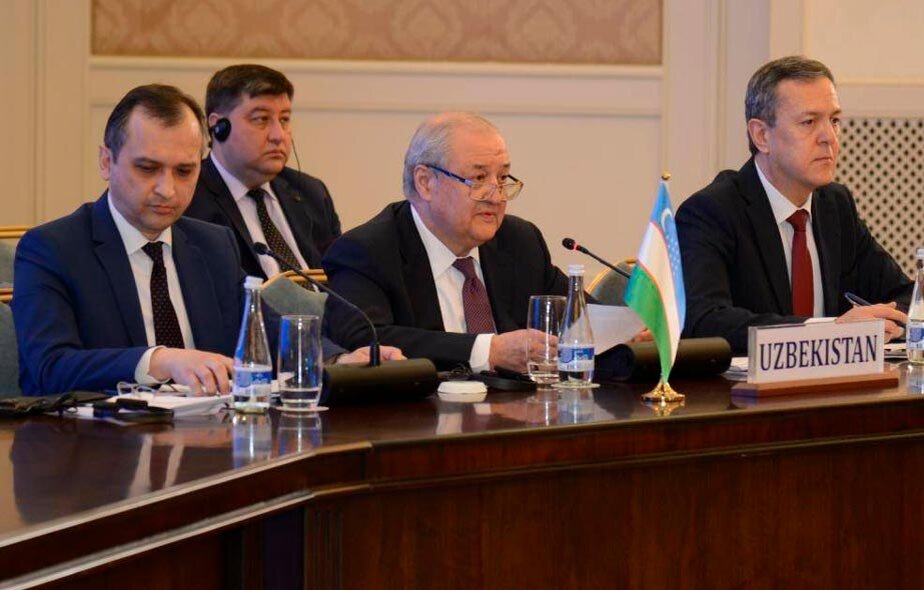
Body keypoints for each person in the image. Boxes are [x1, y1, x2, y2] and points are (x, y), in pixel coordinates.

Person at [13, 84, 398, 396]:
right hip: (102, 449)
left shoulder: (213, 244)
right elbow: (48, 368)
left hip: (211, 438)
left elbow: (265, 332)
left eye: (184, 171)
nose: (167, 189)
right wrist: (161, 360)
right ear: (105, 161)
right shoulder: (53, 249)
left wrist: (335, 360)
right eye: (147, 168)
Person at [676, 56, 912, 354]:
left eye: (834, 120)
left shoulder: (835, 205)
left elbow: (906, 296)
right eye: (809, 122)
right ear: (762, 136)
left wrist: (886, 323)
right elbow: (704, 321)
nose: (829, 137)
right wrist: (829, 331)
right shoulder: (710, 212)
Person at [322, 112, 569, 372]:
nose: (497, 197)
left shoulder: (519, 240)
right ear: (425, 183)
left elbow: (579, 318)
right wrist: (488, 351)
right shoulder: (366, 251)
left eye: (502, 178)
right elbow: (367, 339)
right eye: (479, 178)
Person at [184, 64, 341, 278]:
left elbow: (342, 276)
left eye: (284, 119)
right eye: (261, 119)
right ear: (218, 126)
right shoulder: (190, 198)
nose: (278, 135)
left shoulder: (310, 192)